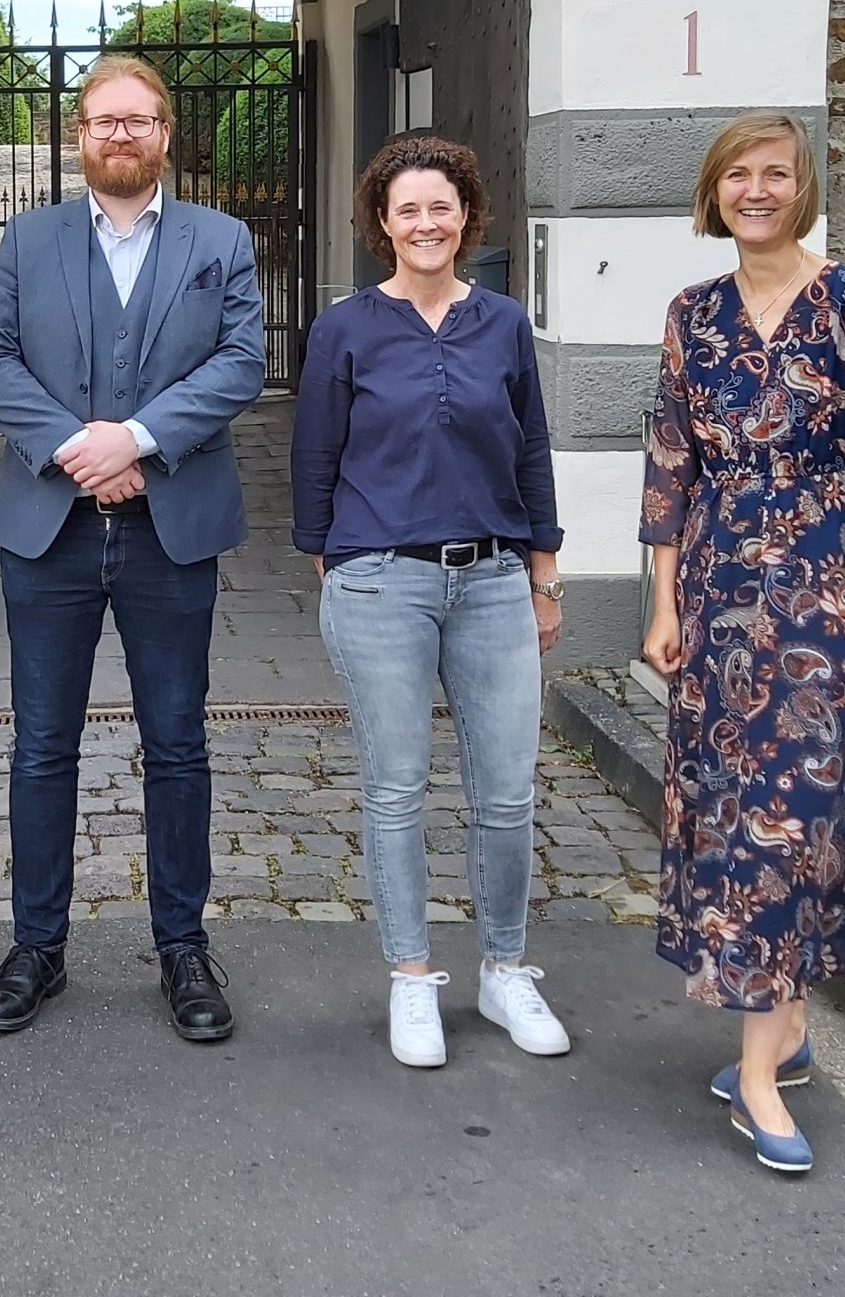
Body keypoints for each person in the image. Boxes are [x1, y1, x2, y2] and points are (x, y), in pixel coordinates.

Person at [0, 54, 265, 1042]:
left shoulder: (219, 240)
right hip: (48, 531)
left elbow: (241, 362)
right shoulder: (29, 238)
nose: (121, 135)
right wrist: (75, 448)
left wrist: (133, 439)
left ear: (165, 134)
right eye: (104, 121)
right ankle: (36, 947)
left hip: (170, 532)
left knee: (176, 745)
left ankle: (182, 946)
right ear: (80, 135)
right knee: (41, 747)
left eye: (138, 120)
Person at [640, 111, 845, 1175]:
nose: (756, 191)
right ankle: (784, 1027)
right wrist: (663, 604)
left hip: (823, 591)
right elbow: (670, 465)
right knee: (726, 805)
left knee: (793, 818)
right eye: (737, 176)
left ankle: (757, 1076)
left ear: (803, 189)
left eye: (776, 174)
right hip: (715, 593)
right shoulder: (692, 313)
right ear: (713, 193)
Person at [291, 134, 570, 1070]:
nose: (425, 224)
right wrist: (333, 563)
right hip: (382, 579)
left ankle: (504, 970)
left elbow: (531, 448)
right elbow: (314, 456)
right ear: (383, 221)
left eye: (440, 207)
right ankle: (412, 976)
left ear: (466, 217)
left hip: (493, 581)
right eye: (406, 209)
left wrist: (542, 573)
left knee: (507, 790)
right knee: (397, 787)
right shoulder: (345, 330)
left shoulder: (503, 324)